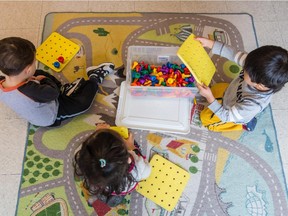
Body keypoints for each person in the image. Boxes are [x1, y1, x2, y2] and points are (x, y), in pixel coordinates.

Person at [0, 37, 115, 126]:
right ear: (28, 69)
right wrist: (44, 80)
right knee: (83, 104)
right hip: (53, 115)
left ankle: (63, 89)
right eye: (34, 62)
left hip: (40, 96)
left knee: (39, 73)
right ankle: (94, 78)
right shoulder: (31, 90)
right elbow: (53, 94)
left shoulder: (3, 82)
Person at [195, 37, 288, 132]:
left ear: (259, 85)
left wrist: (210, 98)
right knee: (217, 87)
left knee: (205, 119)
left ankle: (244, 125)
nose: (244, 67)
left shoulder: (253, 104)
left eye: (246, 70)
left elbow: (226, 116)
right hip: (231, 94)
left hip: (232, 114)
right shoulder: (254, 65)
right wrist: (210, 43)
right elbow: (233, 53)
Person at [73, 123, 151, 207]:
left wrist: (98, 133)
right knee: (117, 194)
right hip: (122, 186)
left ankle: (101, 196)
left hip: (98, 185)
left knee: (100, 192)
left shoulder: (81, 157)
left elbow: (89, 151)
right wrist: (132, 147)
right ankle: (115, 198)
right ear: (129, 159)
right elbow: (147, 171)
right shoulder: (138, 166)